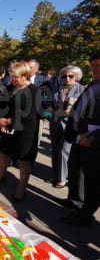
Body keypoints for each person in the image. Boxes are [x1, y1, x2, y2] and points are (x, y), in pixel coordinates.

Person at [61, 51, 100, 226]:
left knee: (92, 180)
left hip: (93, 142)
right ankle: (75, 200)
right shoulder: (93, 85)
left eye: (98, 66)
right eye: (93, 65)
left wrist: (93, 138)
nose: (94, 69)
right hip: (78, 138)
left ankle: (86, 215)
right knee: (75, 171)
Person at [0, 62, 39, 201]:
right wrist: (1, 118)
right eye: (12, 76)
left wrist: (9, 121)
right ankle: (2, 175)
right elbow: (0, 102)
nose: (12, 79)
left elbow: (29, 114)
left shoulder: (34, 91)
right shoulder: (11, 87)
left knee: (24, 159)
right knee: (4, 151)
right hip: (6, 126)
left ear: (25, 76)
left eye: (15, 77)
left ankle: (21, 189)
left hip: (24, 130)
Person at [47, 65, 84, 188]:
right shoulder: (56, 88)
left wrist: (62, 110)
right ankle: (55, 174)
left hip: (71, 126)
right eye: (64, 76)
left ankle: (63, 179)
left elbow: (80, 110)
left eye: (70, 76)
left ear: (77, 77)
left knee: (64, 151)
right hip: (55, 123)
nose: (67, 78)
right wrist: (55, 110)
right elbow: (49, 105)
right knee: (55, 150)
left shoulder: (81, 90)